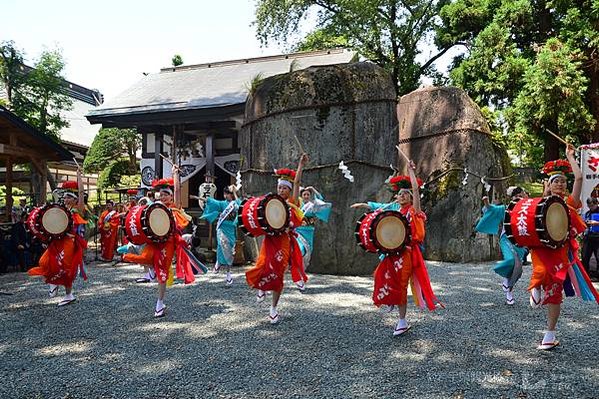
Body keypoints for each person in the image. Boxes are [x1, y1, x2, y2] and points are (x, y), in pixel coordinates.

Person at [350, 160, 442, 336]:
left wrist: (412, 172)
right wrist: (363, 205)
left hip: (408, 253)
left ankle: (402, 321)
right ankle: (391, 301)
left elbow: (416, 190)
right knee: (379, 276)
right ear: (396, 197)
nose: (403, 196)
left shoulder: (413, 211)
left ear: (410, 197)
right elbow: (377, 208)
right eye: (400, 194)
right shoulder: (394, 210)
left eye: (406, 194)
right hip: (391, 253)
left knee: (400, 285)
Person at [529, 145, 599, 350]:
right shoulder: (539, 203)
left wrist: (570, 157)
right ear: (548, 186)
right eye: (555, 181)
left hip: (561, 254)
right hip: (542, 251)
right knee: (540, 272)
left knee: (555, 293)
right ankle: (535, 286)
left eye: (562, 181)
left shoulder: (570, 203)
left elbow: (578, 178)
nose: (560, 183)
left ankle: (549, 335)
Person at [122, 167, 196, 317]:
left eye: (165, 195)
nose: (162, 197)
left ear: (170, 197)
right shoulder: (155, 208)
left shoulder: (174, 208)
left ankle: (159, 304)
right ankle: (138, 261)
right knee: (146, 259)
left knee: (162, 273)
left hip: (168, 243)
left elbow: (177, 192)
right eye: (160, 195)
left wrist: (175, 174)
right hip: (153, 242)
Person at [245, 153, 308, 323]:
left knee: (279, 272)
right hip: (269, 240)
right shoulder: (270, 203)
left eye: (284, 188)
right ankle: (261, 287)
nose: (281, 191)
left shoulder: (292, 202)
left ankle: (273, 307)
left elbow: (297, 183)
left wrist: (300, 165)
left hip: (284, 241)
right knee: (263, 265)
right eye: (280, 188)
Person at [28, 169, 88, 306]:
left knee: (65, 268)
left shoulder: (78, 209)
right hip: (57, 241)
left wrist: (78, 176)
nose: (65, 199)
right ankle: (53, 282)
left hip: (69, 242)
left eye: (68, 197)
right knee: (44, 262)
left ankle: (68, 294)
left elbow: (80, 192)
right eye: (65, 197)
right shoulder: (60, 210)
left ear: (74, 199)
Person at [475, 186, 529, 305]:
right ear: (511, 198)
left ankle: (509, 292)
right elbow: (491, 209)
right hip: (507, 240)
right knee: (510, 260)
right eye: (516, 196)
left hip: (520, 243)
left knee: (517, 270)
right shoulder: (505, 209)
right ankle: (505, 278)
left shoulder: (526, 210)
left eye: (521, 195)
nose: (518, 198)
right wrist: (486, 202)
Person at [199, 185, 240, 285]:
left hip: (231, 229)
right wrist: (205, 199)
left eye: (230, 194)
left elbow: (240, 205)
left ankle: (218, 263)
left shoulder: (235, 203)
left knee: (230, 249)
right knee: (223, 247)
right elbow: (212, 202)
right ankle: (228, 274)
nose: (228, 195)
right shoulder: (222, 204)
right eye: (227, 194)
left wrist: (234, 192)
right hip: (222, 228)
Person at [296, 186, 332, 271]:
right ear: (301, 196)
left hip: (309, 232)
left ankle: (300, 268)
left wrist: (313, 189)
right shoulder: (298, 205)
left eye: (308, 194)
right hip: (298, 231)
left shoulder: (313, 206)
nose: (306, 196)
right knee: (300, 249)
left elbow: (322, 201)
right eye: (304, 194)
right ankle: (295, 266)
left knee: (308, 251)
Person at [582, 197, 599, 280]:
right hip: (588, 237)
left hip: (598, 237)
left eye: (592, 205)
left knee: (598, 256)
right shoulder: (587, 213)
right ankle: (585, 275)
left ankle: (597, 276)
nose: (591, 207)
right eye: (589, 206)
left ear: (596, 204)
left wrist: (597, 223)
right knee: (585, 256)